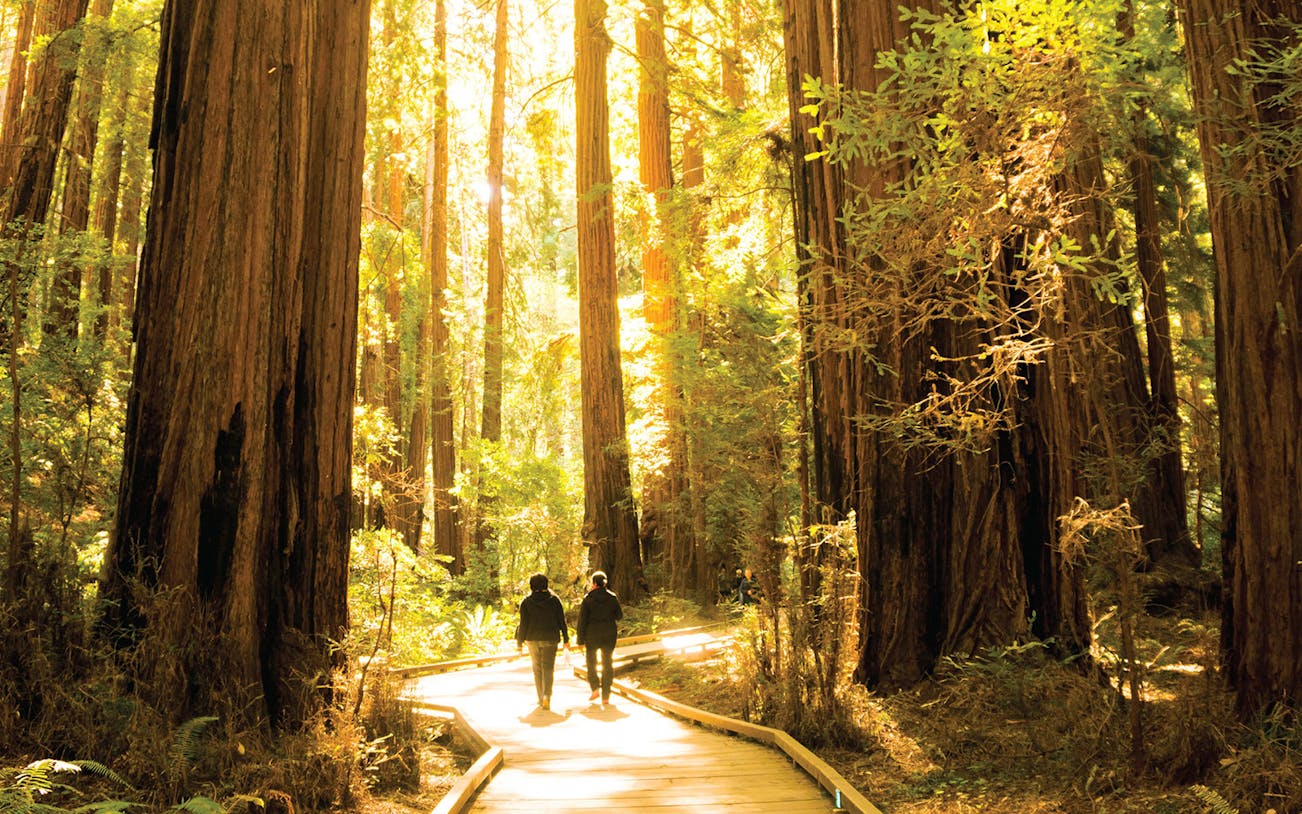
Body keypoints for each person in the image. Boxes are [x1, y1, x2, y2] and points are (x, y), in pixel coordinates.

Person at [515, 573, 569, 710]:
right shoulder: (554, 600)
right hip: (550, 639)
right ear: (546, 584)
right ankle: (547, 696)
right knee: (548, 668)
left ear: (531, 585)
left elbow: (523, 624)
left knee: (537, 669)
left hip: (532, 639)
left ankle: (540, 698)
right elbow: (561, 621)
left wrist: (519, 643)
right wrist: (566, 639)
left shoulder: (526, 602)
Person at [576, 570, 623, 706]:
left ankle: (595, 688)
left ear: (594, 583)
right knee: (607, 663)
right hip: (609, 634)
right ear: (605, 583)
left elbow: (582, 621)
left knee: (591, 663)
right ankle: (606, 696)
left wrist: (580, 640)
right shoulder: (612, 597)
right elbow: (619, 616)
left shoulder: (588, 599)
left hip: (591, 635)